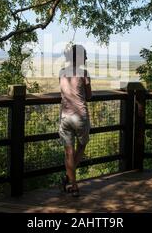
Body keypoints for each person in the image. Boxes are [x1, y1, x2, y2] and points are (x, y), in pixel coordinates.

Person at [58, 44, 92, 197]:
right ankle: (73, 184)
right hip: (80, 117)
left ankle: (70, 180)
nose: (86, 58)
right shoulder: (84, 73)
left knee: (68, 153)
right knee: (81, 146)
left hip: (65, 117)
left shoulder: (62, 72)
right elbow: (89, 96)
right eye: (84, 55)